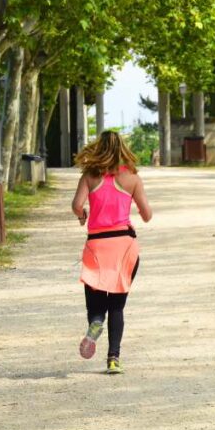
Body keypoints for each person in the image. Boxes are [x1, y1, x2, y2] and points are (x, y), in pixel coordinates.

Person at [71, 131, 152, 374]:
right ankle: (114, 359)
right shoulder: (132, 178)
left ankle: (95, 323)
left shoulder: (89, 177)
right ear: (123, 150)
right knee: (117, 306)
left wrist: (83, 216)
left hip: (97, 246)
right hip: (124, 246)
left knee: (95, 304)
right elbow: (147, 215)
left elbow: (76, 205)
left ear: (98, 148)